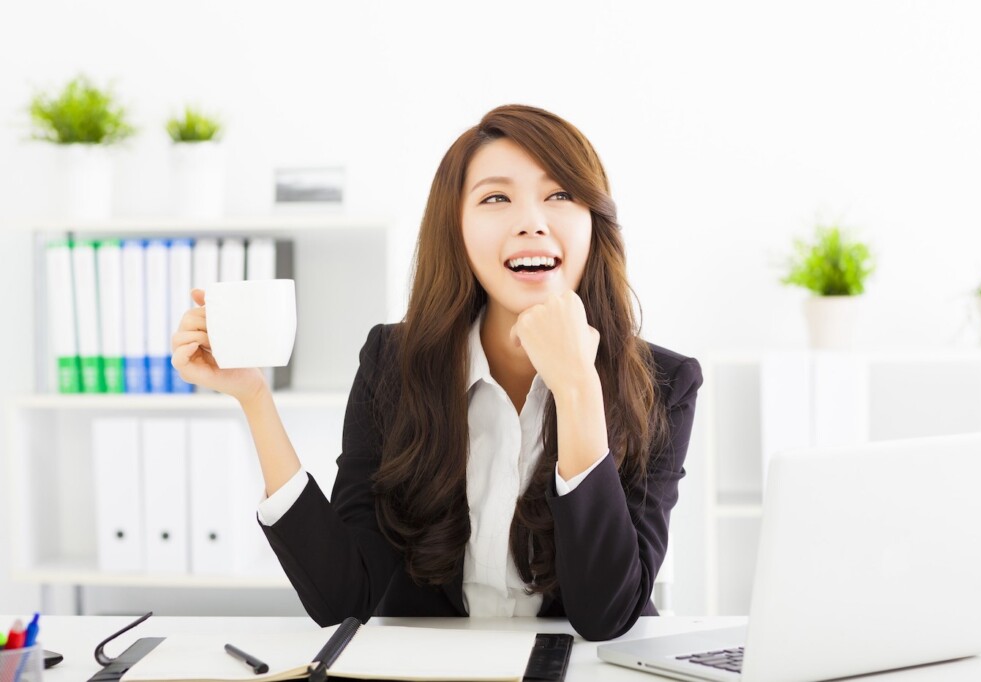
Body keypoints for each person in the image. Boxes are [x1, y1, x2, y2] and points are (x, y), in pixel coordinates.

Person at [171, 104, 702, 641]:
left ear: (595, 221)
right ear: (457, 228)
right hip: (430, 670)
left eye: (560, 194)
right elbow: (341, 596)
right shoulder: (393, 363)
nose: (532, 221)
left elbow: (606, 616)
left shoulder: (664, 382)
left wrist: (577, 389)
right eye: (496, 198)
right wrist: (254, 397)